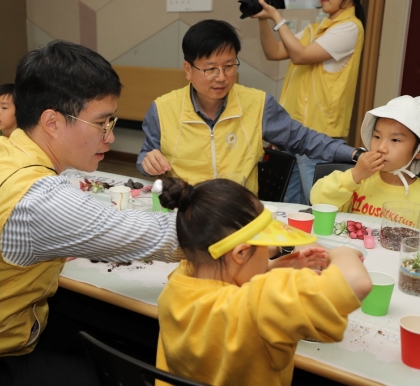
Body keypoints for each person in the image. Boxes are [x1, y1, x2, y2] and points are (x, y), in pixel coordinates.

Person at [0, 40, 184, 385]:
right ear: (52, 122)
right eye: (103, 123)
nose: (111, 136)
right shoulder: (40, 198)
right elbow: (164, 236)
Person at [155, 177, 372, 386]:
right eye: (265, 244)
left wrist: (269, 268)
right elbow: (355, 282)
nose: (270, 251)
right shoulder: (256, 309)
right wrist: (343, 253)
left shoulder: (179, 279)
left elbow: (226, 289)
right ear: (241, 253)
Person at [136, 19, 358, 195]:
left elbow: (304, 139)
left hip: (239, 214)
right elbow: (146, 155)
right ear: (188, 69)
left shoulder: (259, 105)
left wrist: (355, 154)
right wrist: (147, 162)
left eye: (229, 66)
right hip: (184, 214)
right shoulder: (162, 109)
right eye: (211, 68)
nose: (221, 77)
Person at [254, 0, 365, 204]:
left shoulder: (349, 28)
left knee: (316, 203)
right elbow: (274, 52)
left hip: (317, 134)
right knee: (288, 203)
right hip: (292, 129)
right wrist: (263, 19)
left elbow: (300, 55)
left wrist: (277, 16)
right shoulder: (315, 29)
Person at [311, 95, 420, 215]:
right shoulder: (360, 180)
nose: (381, 148)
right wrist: (355, 175)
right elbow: (318, 201)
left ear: (418, 152)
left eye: (395, 140)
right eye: (377, 137)